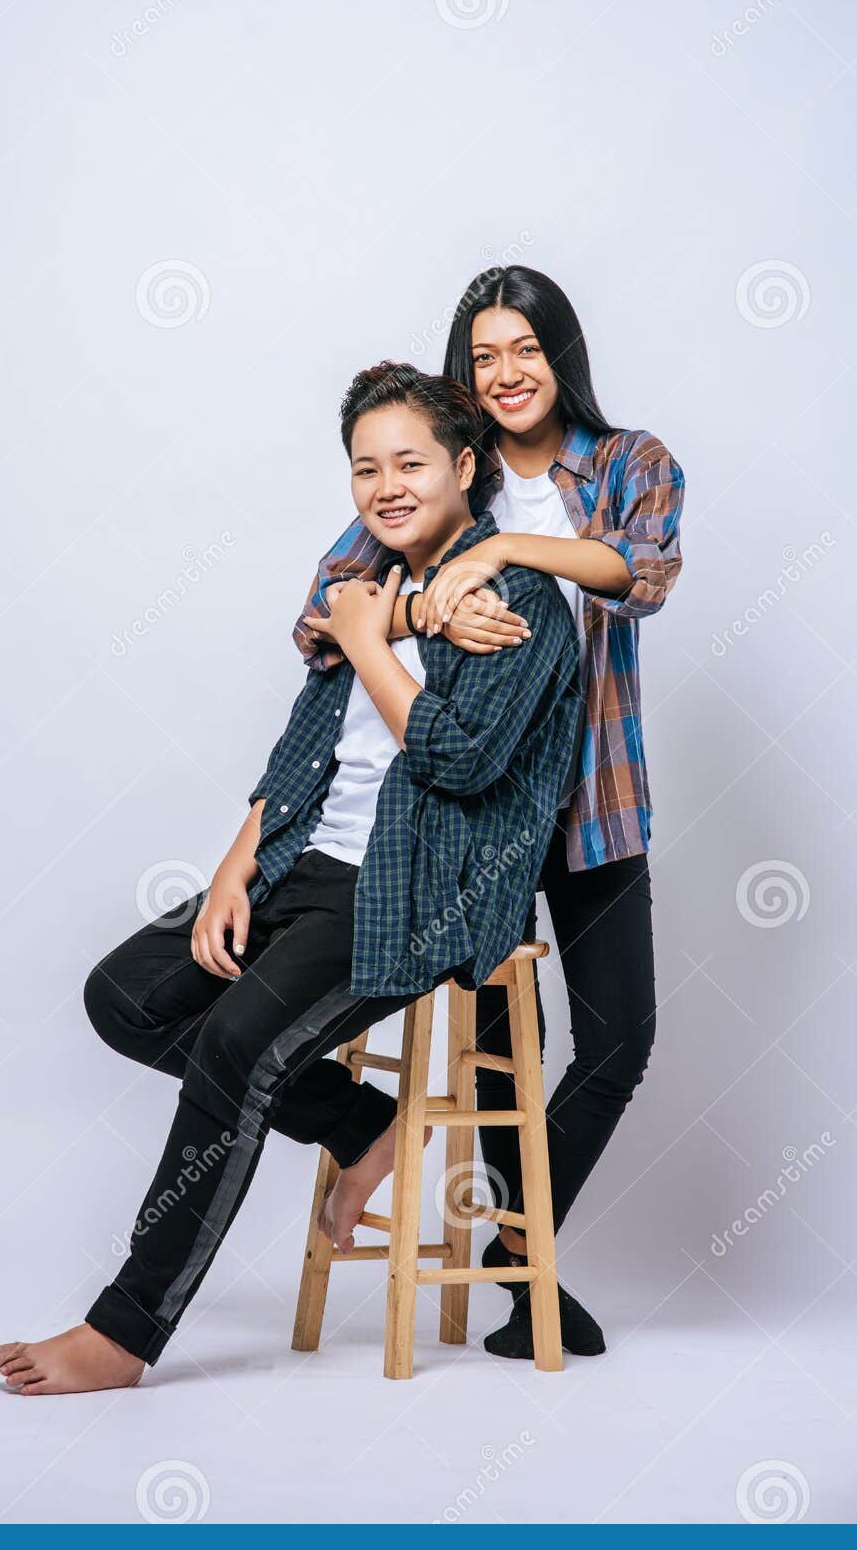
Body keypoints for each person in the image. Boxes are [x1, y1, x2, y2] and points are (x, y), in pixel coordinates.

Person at [0, 362, 580, 1394]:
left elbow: (459, 760)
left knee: (235, 1041)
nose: (385, 485)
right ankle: (359, 1125)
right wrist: (235, 868)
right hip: (305, 863)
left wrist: (366, 637)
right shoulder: (365, 584)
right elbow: (306, 747)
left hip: (418, 885)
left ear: (466, 465)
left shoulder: (518, 594)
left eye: (409, 462)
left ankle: (125, 1332)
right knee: (125, 995)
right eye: (365, 467)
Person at [288, 268, 685, 1359]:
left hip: (595, 802)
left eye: (526, 349)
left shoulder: (627, 464)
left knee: (620, 1041)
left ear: (562, 355)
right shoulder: (440, 470)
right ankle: (525, 1284)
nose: (506, 373)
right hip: (474, 812)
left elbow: (641, 575)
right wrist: (430, 610)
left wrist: (504, 552)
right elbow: (327, 614)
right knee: (508, 1052)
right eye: (484, 355)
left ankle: (515, 1249)